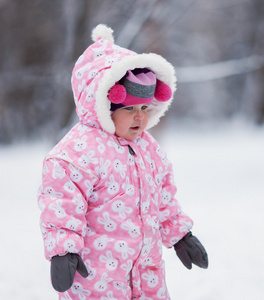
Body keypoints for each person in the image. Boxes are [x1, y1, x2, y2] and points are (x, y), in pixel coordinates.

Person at [37, 24, 208, 300]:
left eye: (144, 108)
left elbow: (162, 196)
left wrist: (179, 235)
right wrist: (63, 250)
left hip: (146, 270)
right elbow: (61, 204)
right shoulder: (76, 153)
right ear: (103, 105)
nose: (140, 117)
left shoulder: (149, 148)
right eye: (128, 109)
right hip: (97, 276)